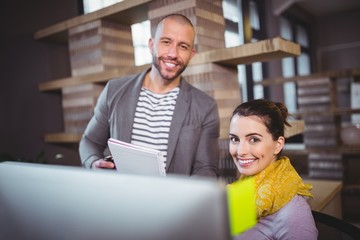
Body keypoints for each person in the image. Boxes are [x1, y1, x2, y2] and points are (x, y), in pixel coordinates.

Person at [79, 14, 220, 177]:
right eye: (166, 42)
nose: (173, 54)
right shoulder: (113, 90)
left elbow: (206, 169)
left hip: (172, 201)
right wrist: (92, 162)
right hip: (120, 197)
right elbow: (89, 141)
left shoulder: (205, 106)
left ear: (192, 54)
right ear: (152, 45)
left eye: (183, 46)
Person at [228, 99, 318, 239]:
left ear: (278, 145)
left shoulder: (292, 211)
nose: (240, 151)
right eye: (234, 139)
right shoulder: (242, 189)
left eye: (254, 139)